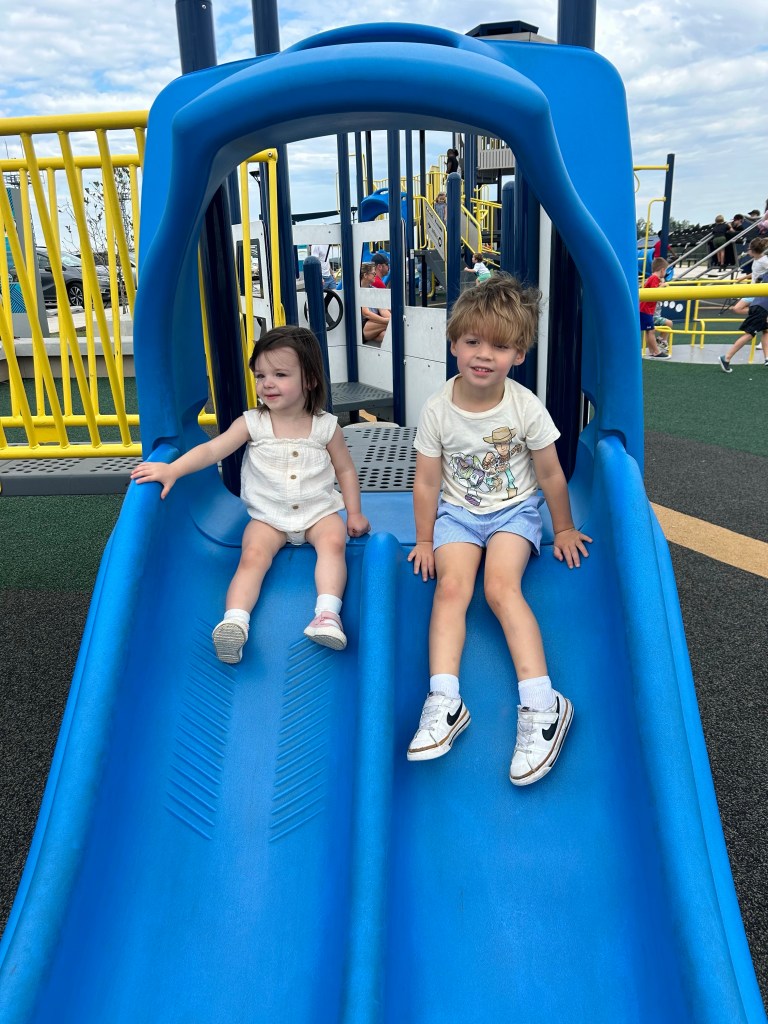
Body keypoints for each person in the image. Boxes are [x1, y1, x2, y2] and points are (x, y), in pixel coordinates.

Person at [405, 275, 592, 785]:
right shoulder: (437, 409)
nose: (483, 355)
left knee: (500, 588)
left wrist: (564, 528)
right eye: (472, 341)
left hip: (514, 511)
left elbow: (549, 473)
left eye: (500, 346)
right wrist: (424, 539)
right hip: (458, 514)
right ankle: (445, 699)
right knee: (450, 588)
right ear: (454, 344)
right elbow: (426, 482)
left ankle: (543, 704)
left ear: (519, 355)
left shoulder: (524, 406)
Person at [130, 325, 370, 663]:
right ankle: (234, 622)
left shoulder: (326, 427)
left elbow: (345, 470)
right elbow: (212, 450)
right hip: (268, 518)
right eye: (260, 375)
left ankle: (327, 614)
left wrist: (354, 513)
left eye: (280, 374)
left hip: (318, 512)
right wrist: (173, 470)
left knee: (333, 543)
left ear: (311, 380)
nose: (267, 383)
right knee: (252, 556)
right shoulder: (252, 423)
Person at [718, 269, 768, 372]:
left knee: (766, 331)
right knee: (750, 334)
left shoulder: (765, 274)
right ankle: (726, 357)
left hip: (758, 304)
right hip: (762, 308)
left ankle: (767, 358)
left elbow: (758, 279)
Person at [640, 257, 670, 357]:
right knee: (651, 331)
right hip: (646, 309)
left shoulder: (653, 278)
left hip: (646, 309)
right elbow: (654, 292)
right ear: (662, 270)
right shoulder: (654, 278)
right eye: (665, 270)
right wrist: (663, 285)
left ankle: (652, 350)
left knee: (649, 330)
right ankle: (656, 352)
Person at [731, 238, 768, 316]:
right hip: (753, 288)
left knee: (737, 308)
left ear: (753, 250)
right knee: (738, 309)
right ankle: (761, 314)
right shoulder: (757, 259)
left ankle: (761, 313)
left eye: (748, 249)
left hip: (758, 290)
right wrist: (742, 278)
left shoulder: (764, 261)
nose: (747, 251)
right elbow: (755, 273)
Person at [359, 262, 390, 343]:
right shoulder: (358, 291)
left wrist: (392, 318)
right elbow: (366, 313)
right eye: (373, 273)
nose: (375, 276)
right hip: (362, 326)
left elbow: (383, 310)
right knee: (394, 323)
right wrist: (386, 321)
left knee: (386, 335)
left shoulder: (374, 290)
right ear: (365, 275)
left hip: (374, 323)